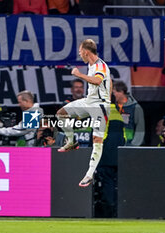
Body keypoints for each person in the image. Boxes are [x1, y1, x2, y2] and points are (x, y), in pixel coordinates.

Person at [56, 39, 111, 188]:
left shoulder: (100, 66)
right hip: (89, 102)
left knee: (97, 140)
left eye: (80, 51)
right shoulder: (91, 64)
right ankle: (71, 141)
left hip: (99, 105)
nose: (79, 54)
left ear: (86, 52)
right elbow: (108, 84)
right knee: (61, 114)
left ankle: (89, 174)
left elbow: (97, 81)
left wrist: (79, 75)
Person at [94, 100, 126, 218]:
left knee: (107, 183)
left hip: (105, 156)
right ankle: (116, 209)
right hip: (118, 156)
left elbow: (98, 136)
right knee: (114, 183)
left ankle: (108, 211)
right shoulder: (118, 114)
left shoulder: (102, 114)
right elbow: (124, 137)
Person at [112, 81, 145, 146]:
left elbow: (140, 129)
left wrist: (133, 146)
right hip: (113, 145)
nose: (112, 95)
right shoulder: (112, 107)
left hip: (129, 145)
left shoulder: (135, 107)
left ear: (121, 92)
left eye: (113, 93)